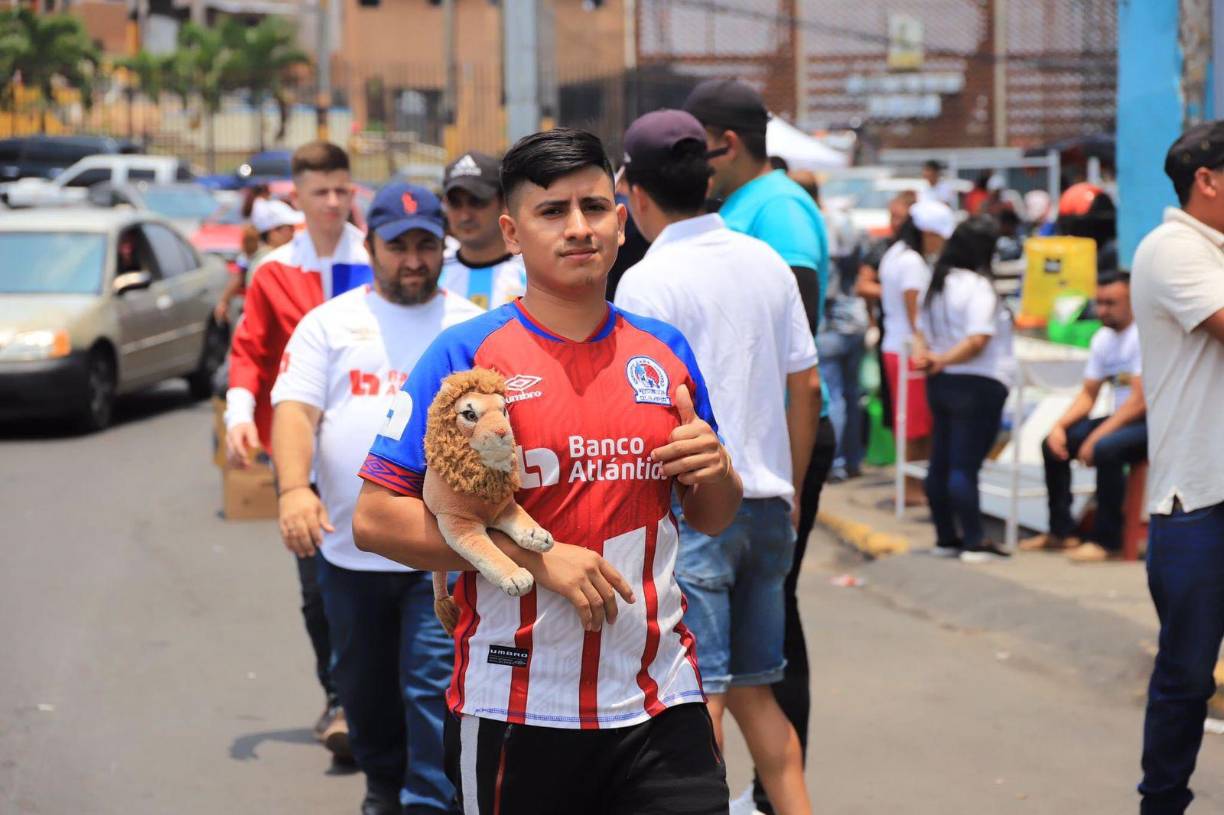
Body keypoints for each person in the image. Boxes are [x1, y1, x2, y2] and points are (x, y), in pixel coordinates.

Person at [352, 128, 740, 815]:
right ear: (512, 232)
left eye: (594, 206)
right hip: (517, 705)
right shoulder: (465, 354)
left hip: (661, 698)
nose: (579, 227)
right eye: (552, 211)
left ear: (621, 221)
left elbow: (712, 516)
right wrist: (536, 558)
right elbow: (375, 519)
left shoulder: (665, 352)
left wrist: (718, 468)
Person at [613, 109, 817, 815]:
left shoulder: (647, 280)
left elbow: (643, 417)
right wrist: (791, 490)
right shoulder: (766, 261)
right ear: (708, 180)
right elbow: (806, 386)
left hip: (696, 515)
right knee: (759, 695)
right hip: (768, 507)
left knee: (701, 701)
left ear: (634, 193)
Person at [270, 183, 481, 815]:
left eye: (425, 245)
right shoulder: (329, 325)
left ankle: (427, 802)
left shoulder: (471, 327)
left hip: (439, 552)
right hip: (348, 552)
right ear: (372, 248)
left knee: (432, 688)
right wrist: (293, 489)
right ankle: (383, 791)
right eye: (398, 246)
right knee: (363, 691)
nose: (413, 260)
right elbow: (295, 411)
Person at [683, 79, 833, 812]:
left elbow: (795, 355)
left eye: (698, 148)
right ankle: (769, 795)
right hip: (754, 454)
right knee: (748, 668)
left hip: (769, 451)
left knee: (747, 661)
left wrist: (785, 480)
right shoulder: (746, 207)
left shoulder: (777, 209)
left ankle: (762, 797)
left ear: (728, 144)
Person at [224, 140, 373, 758]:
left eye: (342, 190)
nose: (333, 202)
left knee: (392, 584)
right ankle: (340, 698)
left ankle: (385, 704)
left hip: (373, 456)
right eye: (320, 192)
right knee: (318, 590)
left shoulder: (380, 258)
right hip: (302, 458)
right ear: (298, 198)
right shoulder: (274, 271)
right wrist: (238, 413)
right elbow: (250, 350)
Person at [1131, 120, 1224, 815]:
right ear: (1208, 180)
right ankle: (1162, 805)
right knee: (1187, 675)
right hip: (1198, 501)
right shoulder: (1173, 248)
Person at [1019, 274, 1146, 562]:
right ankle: (1062, 532)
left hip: (1150, 423)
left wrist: (1096, 437)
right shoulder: (1103, 338)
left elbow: (1140, 402)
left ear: (1132, 301)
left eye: (1111, 303)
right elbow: (1088, 394)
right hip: (1121, 420)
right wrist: (1059, 427)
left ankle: (1107, 541)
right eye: (1099, 303)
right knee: (1052, 445)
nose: (1102, 310)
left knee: (1106, 449)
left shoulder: (1142, 336)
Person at [912, 217, 1014, 562]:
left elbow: (920, 332)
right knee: (964, 465)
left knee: (941, 462)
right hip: (977, 382)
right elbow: (977, 339)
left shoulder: (936, 285)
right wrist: (942, 360)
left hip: (943, 383)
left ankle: (946, 536)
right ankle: (973, 539)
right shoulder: (977, 286)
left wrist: (931, 359)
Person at [878, 199, 954, 502]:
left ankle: (913, 484)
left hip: (897, 346)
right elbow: (915, 312)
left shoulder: (896, 253)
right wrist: (922, 345)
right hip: (908, 349)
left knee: (912, 421)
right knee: (915, 424)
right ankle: (912, 487)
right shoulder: (912, 262)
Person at [439, 151, 526, 309]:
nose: (465, 216)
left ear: (503, 202)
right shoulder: (435, 273)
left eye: (477, 202)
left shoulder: (532, 272)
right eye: (455, 203)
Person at [213, 198, 303, 325]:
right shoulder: (268, 262)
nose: (294, 233)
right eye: (290, 228)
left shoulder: (263, 256)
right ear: (274, 232)